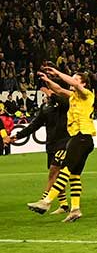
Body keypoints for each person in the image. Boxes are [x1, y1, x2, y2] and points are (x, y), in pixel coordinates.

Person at [26, 66, 96, 223]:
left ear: (84, 83)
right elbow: (58, 89)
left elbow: (74, 85)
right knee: (74, 175)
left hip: (81, 137)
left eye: (76, 79)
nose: (73, 81)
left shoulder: (87, 94)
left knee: (65, 169)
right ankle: (75, 210)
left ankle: (46, 202)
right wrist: (47, 79)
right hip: (83, 139)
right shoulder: (73, 96)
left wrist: (58, 73)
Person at [6, 83, 70, 214]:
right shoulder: (45, 107)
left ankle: (44, 201)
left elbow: (63, 102)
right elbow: (34, 125)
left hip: (64, 142)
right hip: (51, 144)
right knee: (56, 175)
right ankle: (64, 205)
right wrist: (17, 136)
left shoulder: (65, 104)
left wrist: (49, 91)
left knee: (53, 171)